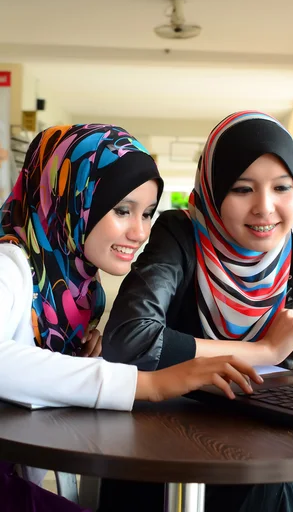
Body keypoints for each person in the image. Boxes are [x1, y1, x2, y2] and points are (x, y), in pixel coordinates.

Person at [0, 123, 264, 512]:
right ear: (73, 200)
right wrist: (150, 384)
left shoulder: (78, 291)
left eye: (148, 213)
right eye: (122, 210)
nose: (140, 232)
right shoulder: (10, 266)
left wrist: (72, 357)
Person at [101, 110, 293, 512]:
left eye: (283, 187)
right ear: (213, 191)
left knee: (274, 482)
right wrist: (264, 351)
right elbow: (129, 341)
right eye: (243, 189)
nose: (266, 208)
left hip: (262, 437)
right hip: (166, 445)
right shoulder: (180, 234)